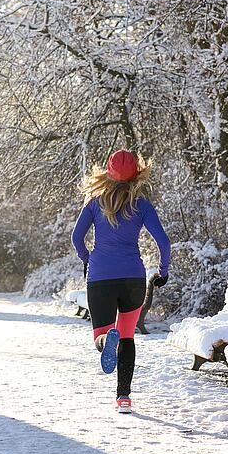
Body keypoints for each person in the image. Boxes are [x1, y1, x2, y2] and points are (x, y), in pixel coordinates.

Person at [71, 150, 170, 414]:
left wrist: (87, 258)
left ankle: (105, 343)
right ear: (137, 174)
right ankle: (123, 398)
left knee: (100, 336)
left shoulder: (94, 202)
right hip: (133, 279)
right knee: (128, 337)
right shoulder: (142, 205)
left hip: (101, 277)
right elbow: (163, 241)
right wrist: (163, 270)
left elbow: (76, 238)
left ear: (107, 172)